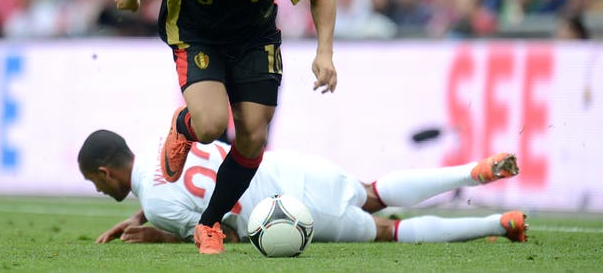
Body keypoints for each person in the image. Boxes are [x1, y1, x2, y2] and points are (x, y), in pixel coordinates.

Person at [113, 0, 337, 254]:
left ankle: (208, 224)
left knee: (252, 136)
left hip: (254, 41)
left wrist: (325, 53)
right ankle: (184, 126)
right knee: (211, 126)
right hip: (197, 38)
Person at [78, 128, 528, 246]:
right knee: (374, 192)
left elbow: (226, 233)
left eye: (94, 182)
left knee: (390, 231)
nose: (98, 191)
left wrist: (159, 231)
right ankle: (472, 170)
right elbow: (187, 181)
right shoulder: (168, 139)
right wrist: (143, 213)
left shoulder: (159, 207)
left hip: (288, 209)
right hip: (297, 168)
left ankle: (499, 222)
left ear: (105, 172)